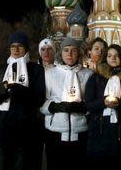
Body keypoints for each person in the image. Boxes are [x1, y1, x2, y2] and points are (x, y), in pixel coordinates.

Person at [0, 31, 45, 170]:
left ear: (26, 48)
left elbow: (39, 96)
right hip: (2, 127)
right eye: (13, 46)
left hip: (24, 128)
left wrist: (18, 89)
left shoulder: (35, 69)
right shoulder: (0, 70)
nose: (16, 49)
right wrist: (3, 90)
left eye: (20, 46)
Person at [40, 37, 93, 170]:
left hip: (80, 130)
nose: (69, 54)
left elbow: (92, 102)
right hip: (56, 130)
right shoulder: (50, 74)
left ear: (79, 54)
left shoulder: (88, 75)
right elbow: (42, 102)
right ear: (60, 53)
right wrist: (54, 107)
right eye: (66, 50)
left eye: (74, 50)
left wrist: (83, 108)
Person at [85, 44, 121, 170]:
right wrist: (104, 102)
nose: (113, 58)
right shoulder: (96, 78)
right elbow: (88, 104)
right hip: (99, 129)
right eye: (109, 55)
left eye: (116, 56)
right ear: (105, 58)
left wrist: (118, 104)